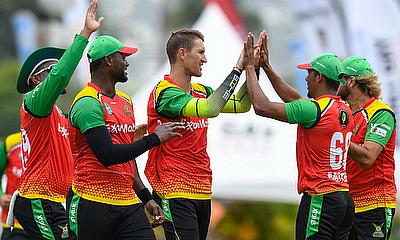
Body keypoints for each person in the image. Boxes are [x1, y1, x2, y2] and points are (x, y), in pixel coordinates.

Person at [66, 33, 184, 239]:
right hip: (92, 202)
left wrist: (146, 197)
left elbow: (127, 159)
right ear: (109, 60)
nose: (127, 63)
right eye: (123, 57)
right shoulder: (87, 102)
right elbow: (108, 155)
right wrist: (154, 139)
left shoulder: (125, 101)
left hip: (128, 203)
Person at [244, 31, 354, 239]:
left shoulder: (314, 110)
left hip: (320, 197)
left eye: (309, 73)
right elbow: (293, 98)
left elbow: (261, 106)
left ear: (319, 77)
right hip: (342, 198)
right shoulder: (343, 109)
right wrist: (266, 67)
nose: (306, 77)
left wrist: (250, 67)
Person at [144, 28, 252, 240]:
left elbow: (242, 104)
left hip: (202, 188)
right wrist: (237, 68)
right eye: (200, 52)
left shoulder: (202, 91)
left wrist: (252, 67)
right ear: (182, 54)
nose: (205, 59)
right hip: (174, 189)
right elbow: (210, 109)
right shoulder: (165, 93)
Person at [12, 0, 102, 239]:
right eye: (49, 70)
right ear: (35, 80)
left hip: (57, 200)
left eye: (54, 68)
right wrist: (85, 34)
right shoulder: (34, 102)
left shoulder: (60, 116)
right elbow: (61, 75)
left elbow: (82, 152)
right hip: (36, 198)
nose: (55, 73)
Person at [337, 56, 397, 240]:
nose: (334, 83)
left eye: (339, 79)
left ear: (351, 81)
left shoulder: (380, 113)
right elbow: (301, 106)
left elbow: (368, 158)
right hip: (348, 205)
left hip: (376, 205)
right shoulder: (344, 112)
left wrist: (338, 138)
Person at [0, 132, 29, 239]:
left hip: (44, 221)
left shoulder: (56, 141)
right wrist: (1, 196)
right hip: (14, 223)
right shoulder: (11, 142)